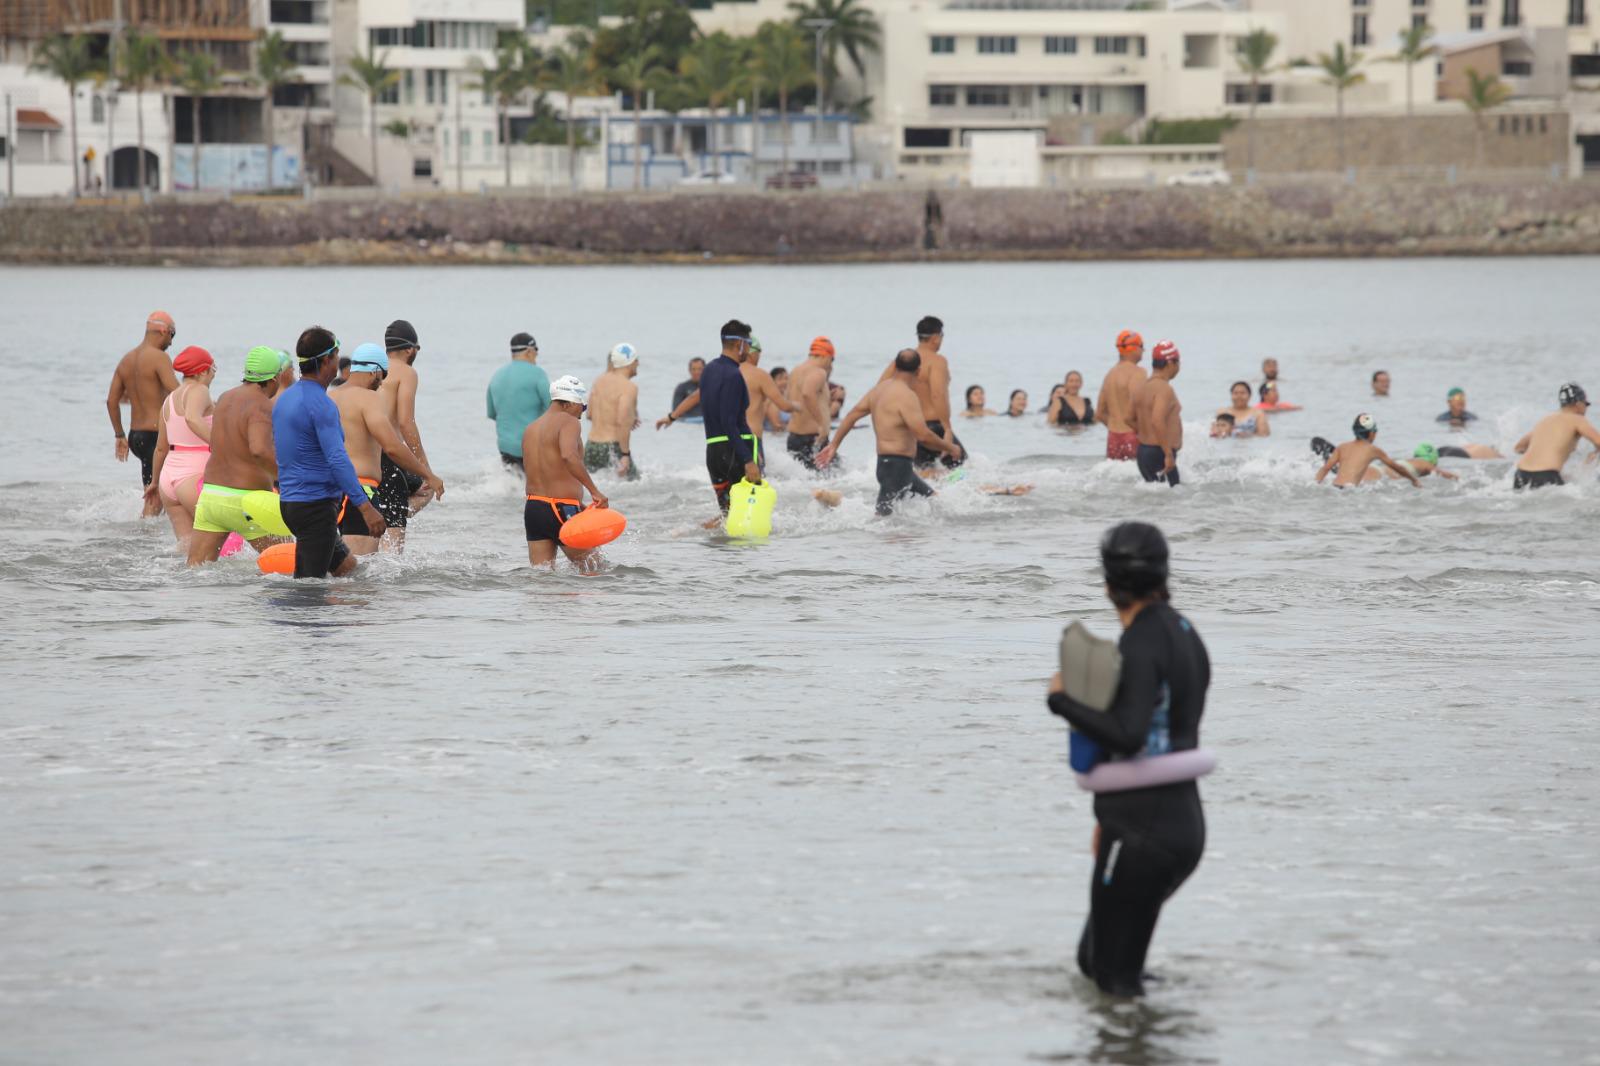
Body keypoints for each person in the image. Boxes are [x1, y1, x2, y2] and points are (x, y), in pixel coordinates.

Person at [1046, 522, 1210, 999]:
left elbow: (1130, 733)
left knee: (1114, 980)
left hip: (1145, 830)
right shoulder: (1183, 631)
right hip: (1177, 823)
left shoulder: (1140, 641)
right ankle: (1162, 1037)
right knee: (1098, 963)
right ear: (1164, 574)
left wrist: (1060, 701)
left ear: (1107, 583)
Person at [271, 327, 387, 578]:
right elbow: (337, 459)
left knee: (350, 571)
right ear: (326, 360)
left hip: (291, 503)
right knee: (309, 589)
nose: (338, 361)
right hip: (315, 507)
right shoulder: (322, 405)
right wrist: (365, 507)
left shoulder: (286, 399)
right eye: (336, 355)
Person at [331, 343, 446, 555]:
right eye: (382, 376)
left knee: (338, 571)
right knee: (359, 581)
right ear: (374, 370)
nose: (382, 383)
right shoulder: (368, 398)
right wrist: (428, 475)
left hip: (330, 494)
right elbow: (392, 447)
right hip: (361, 492)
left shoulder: (330, 397)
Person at [817, 349, 959, 515]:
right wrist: (950, 447)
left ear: (896, 367)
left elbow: (851, 416)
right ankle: (834, 504)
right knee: (882, 520)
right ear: (918, 371)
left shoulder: (878, 390)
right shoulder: (907, 396)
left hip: (892, 466)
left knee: (935, 503)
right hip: (896, 467)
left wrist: (834, 444)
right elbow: (923, 435)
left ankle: (833, 500)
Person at [187, 346, 294, 566]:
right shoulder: (261, 404)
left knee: (195, 571)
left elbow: (217, 443)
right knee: (291, 567)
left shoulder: (225, 397)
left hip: (211, 498)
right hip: (247, 502)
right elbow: (259, 450)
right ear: (274, 379)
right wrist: (288, 478)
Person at [523, 375, 610, 570]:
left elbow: (546, 471)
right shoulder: (568, 421)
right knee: (598, 571)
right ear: (570, 403)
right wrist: (594, 491)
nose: (581, 415)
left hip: (534, 509)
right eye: (583, 407)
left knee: (543, 582)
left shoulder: (531, 428)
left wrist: (578, 502)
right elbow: (568, 456)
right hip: (562, 510)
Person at [106, 310, 179, 516]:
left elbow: (112, 401)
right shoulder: (159, 358)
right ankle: (145, 538)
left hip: (136, 437)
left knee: (154, 489)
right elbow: (177, 392)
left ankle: (147, 531)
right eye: (172, 335)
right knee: (156, 496)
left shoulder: (126, 359)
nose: (171, 343)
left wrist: (119, 435)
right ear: (163, 330)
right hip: (157, 437)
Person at [145, 346, 217, 548]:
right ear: (203, 371)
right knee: (219, 542)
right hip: (194, 477)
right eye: (213, 368)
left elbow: (161, 448)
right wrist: (222, 447)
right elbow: (192, 419)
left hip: (169, 480)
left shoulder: (168, 400)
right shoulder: (199, 390)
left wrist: (155, 482)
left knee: (188, 548)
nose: (213, 374)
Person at [375, 318, 435, 547]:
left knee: (416, 492)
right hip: (389, 457)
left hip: (367, 456)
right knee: (426, 489)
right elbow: (405, 423)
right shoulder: (407, 372)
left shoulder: (375, 369)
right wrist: (424, 467)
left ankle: (388, 514)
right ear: (410, 349)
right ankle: (392, 516)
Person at [879, 315, 964, 470]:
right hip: (933, 428)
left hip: (910, 430)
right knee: (962, 470)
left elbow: (880, 389)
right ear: (936, 337)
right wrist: (947, 429)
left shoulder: (902, 360)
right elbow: (938, 395)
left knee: (924, 475)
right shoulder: (937, 361)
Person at [696, 320, 762, 513]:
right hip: (733, 453)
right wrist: (749, 460)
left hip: (714, 452)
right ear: (738, 344)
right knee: (747, 515)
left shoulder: (708, 370)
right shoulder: (733, 375)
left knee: (728, 515)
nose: (749, 350)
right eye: (748, 344)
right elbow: (729, 422)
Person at [1512, 382, 1600, 489]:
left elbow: (1519, 448)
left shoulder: (1545, 421)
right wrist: (1592, 458)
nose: (1586, 409)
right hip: (1546, 476)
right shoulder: (1577, 419)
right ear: (1578, 404)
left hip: (1521, 474)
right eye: (1586, 404)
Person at [486, 331, 550, 472]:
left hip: (505, 446)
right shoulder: (538, 374)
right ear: (528, 351)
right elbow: (553, 408)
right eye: (536, 351)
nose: (537, 355)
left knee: (513, 487)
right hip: (531, 446)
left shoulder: (497, 375)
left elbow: (491, 413)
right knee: (536, 490)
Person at [1315, 414, 1422, 488]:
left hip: (1334, 487)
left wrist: (1316, 483)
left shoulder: (1342, 447)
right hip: (1349, 490)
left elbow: (1325, 468)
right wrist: (1413, 479)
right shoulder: (1373, 450)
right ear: (1371, 433)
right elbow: (1396, 467)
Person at [1129, 340, 1183, 486]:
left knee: (1156, 502)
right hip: (1160, 453)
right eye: (1178, 362)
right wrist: (1168, 454)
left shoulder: (1141, 387)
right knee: (1173, 501)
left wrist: (1146, 434)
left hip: (1144, 452)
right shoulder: (1164, 389)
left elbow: (1128, 418)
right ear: (1171, 363)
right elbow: (1157, 420)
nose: (1179, 367)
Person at [778, 336, 837, 470]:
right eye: (832, 360)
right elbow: (807, 394)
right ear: (826, 356)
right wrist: (822, 424)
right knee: (831, 480)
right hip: (812, 439)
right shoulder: (818, 372)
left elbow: (790, 397)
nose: (831, 365)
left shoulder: (795, 371)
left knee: (805, 482)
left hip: (794, 438)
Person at [585, 343, 642, 480]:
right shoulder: (629, 387)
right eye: (636, 360)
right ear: (629, 362)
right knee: (633, 484)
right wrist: (625, 455)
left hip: (591, 446)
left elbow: (589, 414)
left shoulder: (599, 381)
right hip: (612, 448)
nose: (638, 364)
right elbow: (622, 421)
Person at [1096, 330, 1145, 461]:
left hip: (1113, 438)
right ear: (1133, 348)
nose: (1144, 350)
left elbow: (1099, 413)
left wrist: (1116, 427)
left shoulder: (1109, 375)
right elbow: (1139, 405)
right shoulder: (1138, 372)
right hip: (1133, 436)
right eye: (1141, 346)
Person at [671, 357, 705, 422]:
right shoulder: (682, 387)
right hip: (688, 423)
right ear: (689, 370)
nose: (697, 372)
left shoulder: (712, 387)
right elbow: (675, 411)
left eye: (700, 369)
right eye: (693, 369)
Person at [765, 366, 791, 432]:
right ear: (772, 381)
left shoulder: (787, 399)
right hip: (775, 439)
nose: (784, 382)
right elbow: (777, 427)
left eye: (786, 378)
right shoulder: (772, 403)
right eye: (780, 379)